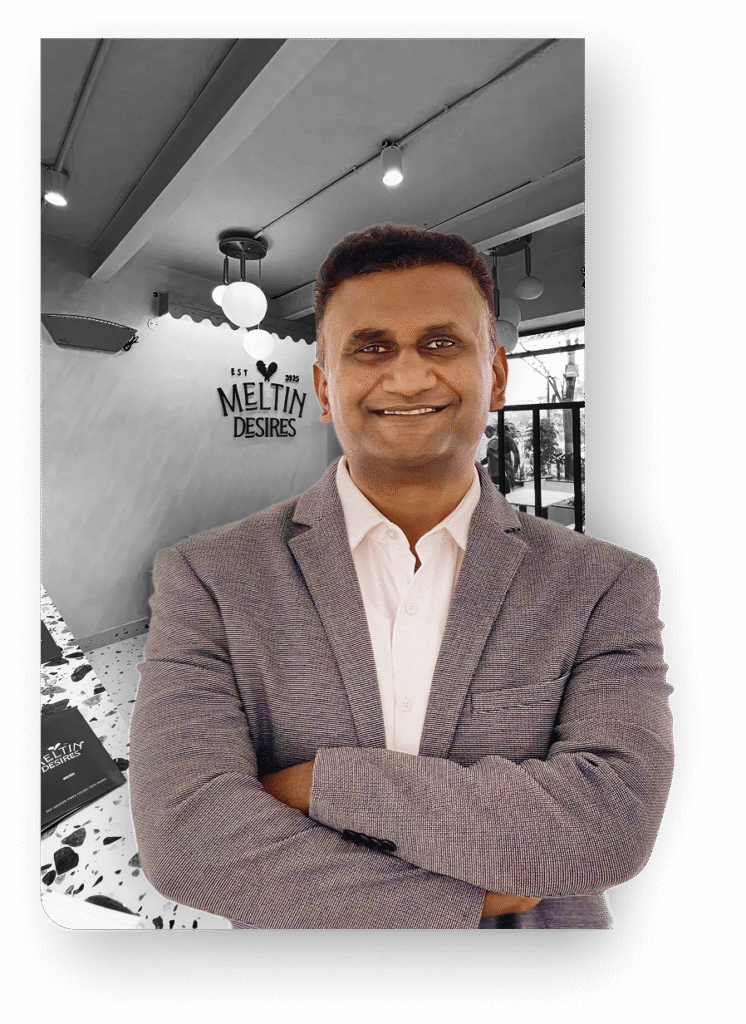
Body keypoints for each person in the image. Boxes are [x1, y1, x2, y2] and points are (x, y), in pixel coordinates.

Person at [129, 224, 674, 930]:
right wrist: (466, 904)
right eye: (371, 347)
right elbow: (187, 839)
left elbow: (610, 826)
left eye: (441, 343)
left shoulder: (605, 583)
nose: (410, 376)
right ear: (325, 387)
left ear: (496, 376)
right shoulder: (207, 577)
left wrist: (326, 784)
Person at [480, 423, 521, 493]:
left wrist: (515, 465)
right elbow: (491, 455)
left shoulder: (502, 439)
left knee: (504, 489)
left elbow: (515, 452)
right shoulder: (497, 440)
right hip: (497, 471)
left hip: (497, 471)